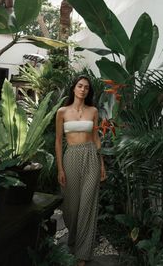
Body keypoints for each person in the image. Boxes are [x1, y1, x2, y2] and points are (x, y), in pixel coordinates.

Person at [55, 75, 106, 266]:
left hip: (91, 156)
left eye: (86, 87)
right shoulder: (62, 112)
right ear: (74, 88)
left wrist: (101, 164)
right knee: (71, 207)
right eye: (80, 86)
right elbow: (59, 142)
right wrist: (60, 168)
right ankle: (74, 237)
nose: (83, 89)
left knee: (87, 205)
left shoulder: (93, 111)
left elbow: (96, 138)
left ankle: (83, 253)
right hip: (71, 157)